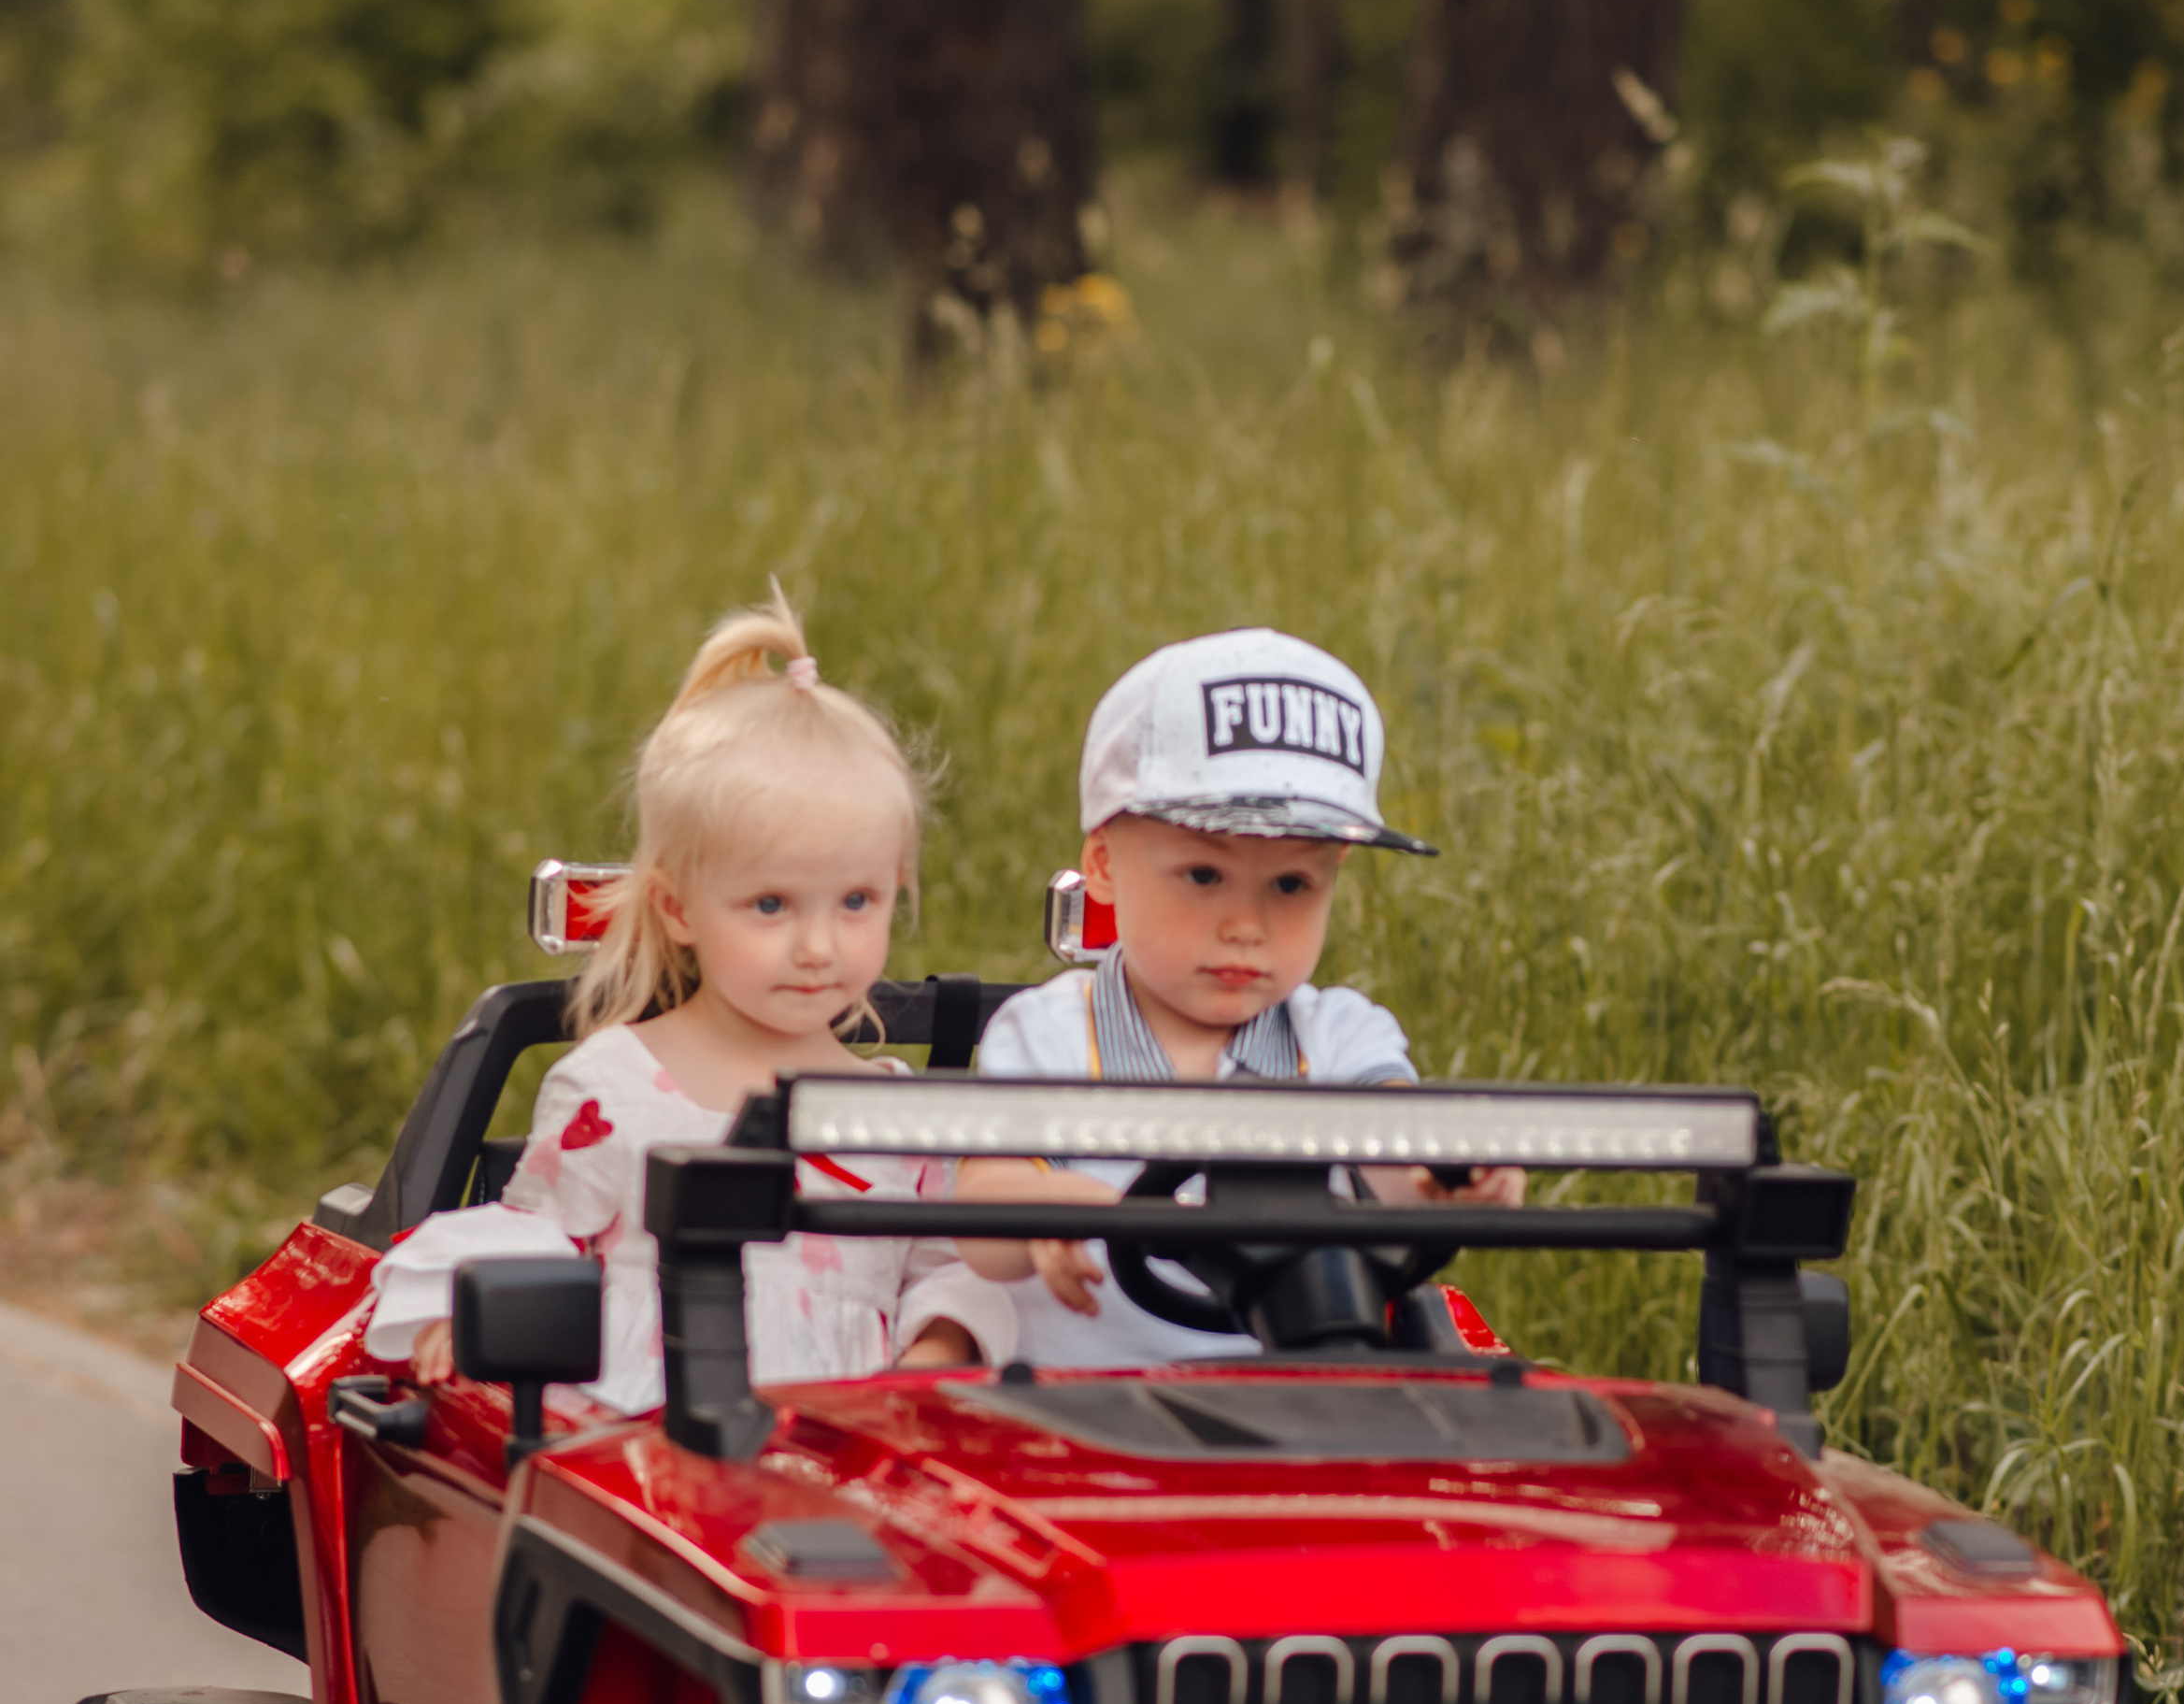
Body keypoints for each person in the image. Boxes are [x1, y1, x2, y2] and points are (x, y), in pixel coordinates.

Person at [364, 592, 1010, 1411]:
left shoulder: (896, 1114)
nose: (820, 947)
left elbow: (945, 1268)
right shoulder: (617, 1084)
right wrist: (472, 1311)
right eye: (771, 906)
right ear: (677, 908)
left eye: (856, 902)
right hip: (639, 1444)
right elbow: (541, 1232)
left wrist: (936, 1349)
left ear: (899, 891)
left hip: (849, 1448)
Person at [958, 623, 1522, 1367]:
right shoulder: (1047, 1035)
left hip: (1298, 1420)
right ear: (1103, 866)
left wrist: (1456, 1168)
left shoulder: (1341, 1040)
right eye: (1203, 875)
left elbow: (1396, 1154)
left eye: (1290, 884)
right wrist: (1053, 1214)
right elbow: (978, 1210)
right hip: (1075, 1434)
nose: (1247, 926)